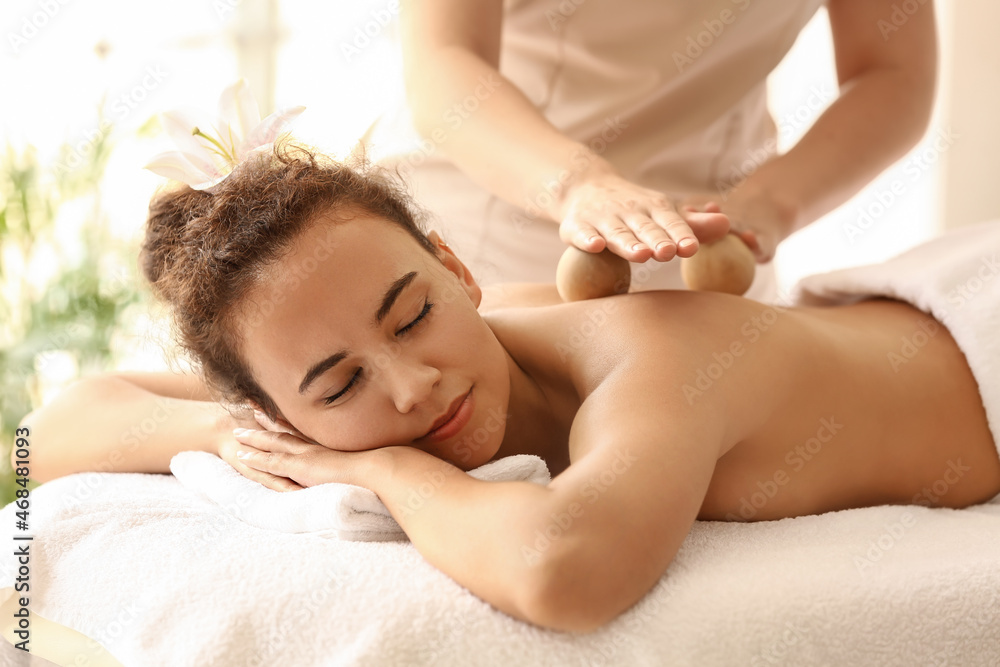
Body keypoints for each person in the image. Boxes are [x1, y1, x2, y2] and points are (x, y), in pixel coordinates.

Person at [20, 143, 1000, 634]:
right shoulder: (292, 406)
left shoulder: (650, 360)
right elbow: (53, 430)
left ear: (457, 268)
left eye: (412, 315)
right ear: (280, 409)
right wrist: (247, 440)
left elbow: (562, 570)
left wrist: (388, 464)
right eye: (338, 380)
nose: (411, 381)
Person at [371, 0, 938, 300]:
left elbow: (893, 74)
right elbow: (444, 59)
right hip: (481, 236)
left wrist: (767, 205)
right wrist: (579, 185)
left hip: (715, 259)